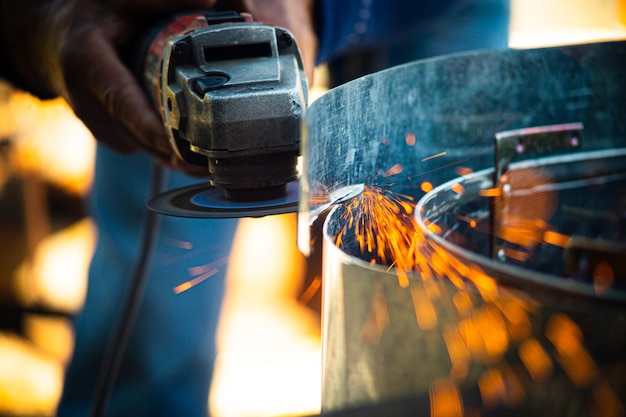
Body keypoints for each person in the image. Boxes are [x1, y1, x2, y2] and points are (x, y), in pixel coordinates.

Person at [0, 0, 510, 416]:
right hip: (176, 16)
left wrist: (328, 10)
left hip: (437, 10)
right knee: (155, 317)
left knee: (434, 300)